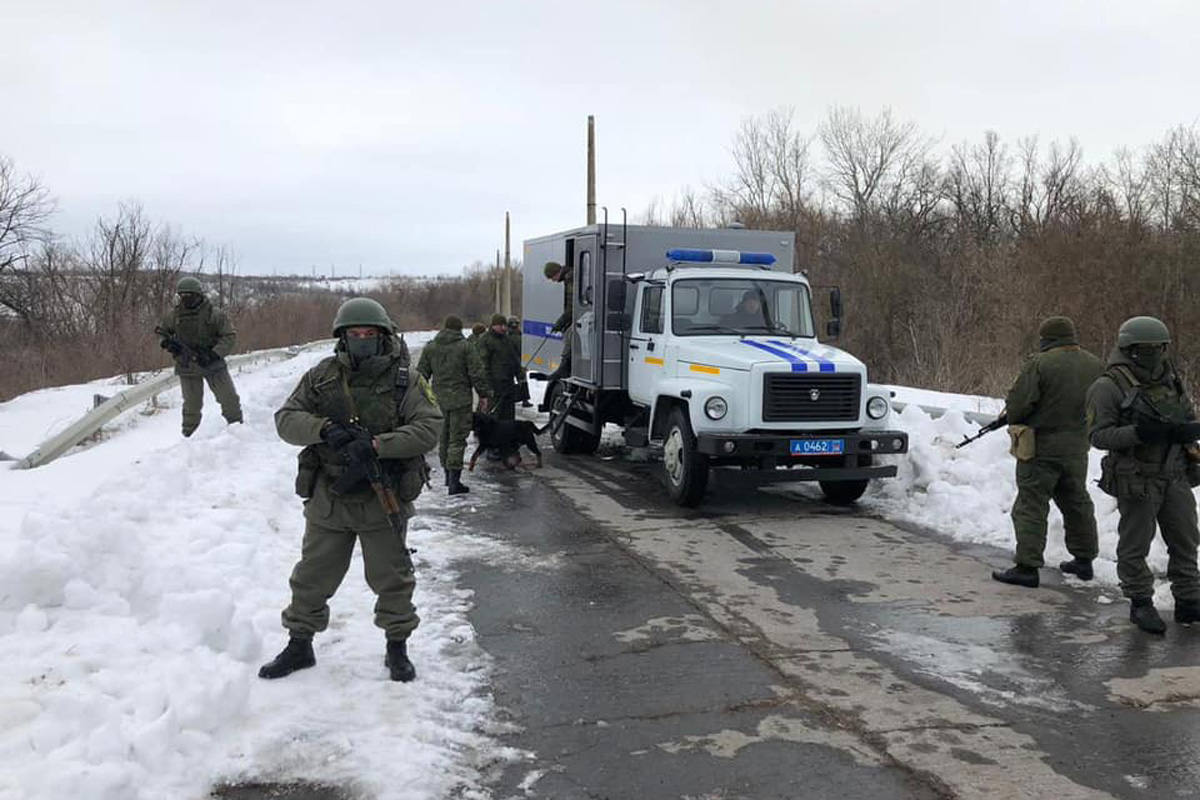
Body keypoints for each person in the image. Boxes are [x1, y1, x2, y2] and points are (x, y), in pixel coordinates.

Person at [260, 297, 442, 681]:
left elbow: (429, 428)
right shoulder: (321, 377)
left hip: (384, 493)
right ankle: (299, 644)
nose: (362, 339)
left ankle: (397, 646)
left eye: (369, 334)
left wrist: (378, 445)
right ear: (342, 338)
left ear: (383, 337)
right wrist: (324, 429)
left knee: (392, 576)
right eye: (354, 334)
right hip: (331, 495)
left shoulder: (404, 380)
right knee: (312, 575)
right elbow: (286, 420)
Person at [1088, 316, 1200, 634]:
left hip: (1175, 474)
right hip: (1137, 477)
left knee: (1186, 541)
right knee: (1135, 544)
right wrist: (1139, 433)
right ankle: (1140, 602)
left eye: (1158, 348)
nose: (1153, 354)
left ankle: (1189, 601)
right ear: (1129, 349)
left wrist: (1187, 430)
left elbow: (1186, 414)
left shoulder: (1170, 379)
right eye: (1145, 349)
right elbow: (1097, 436)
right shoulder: (1108, 386)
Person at [992, 317, 1102, 588]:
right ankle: (1084, 561)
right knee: (1076, 501)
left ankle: (1027, 567)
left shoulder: (1040, 364)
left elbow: (1018, 406)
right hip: (1077, 447)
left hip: (1041, 446)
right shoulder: (1096, 364)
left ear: (1046, 339)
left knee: (1031, 504)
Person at [157, 276, 243, 437]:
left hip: (213, 365)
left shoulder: (214, 314)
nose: (186, 299)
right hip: (187, 365)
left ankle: (237, 430)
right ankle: (189, 437)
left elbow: (229, 336)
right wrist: (167, 344)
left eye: (190, 295)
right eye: (183, 296)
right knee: (191, 406)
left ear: (199, 295)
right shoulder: (174, 316)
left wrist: (214, 353)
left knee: (229, 399)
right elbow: (162, 332)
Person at [417, 315, 492, 495]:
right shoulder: (466, 347)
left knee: (444, 438)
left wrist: (423, 398)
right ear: (459, 330)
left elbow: (421, 377)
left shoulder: (431, 348)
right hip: (461, 401)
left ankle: (447, 476)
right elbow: (477, 373)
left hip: (438, 401)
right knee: (457, 439)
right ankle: (454, 482)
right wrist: (484, 394)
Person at [478, 313, 521, 422]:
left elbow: (514, 359)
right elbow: (483, 366)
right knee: (494, 417)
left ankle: (508, 437)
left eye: (505, 325)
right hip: (494, 386)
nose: (504, 328)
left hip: (508, 384)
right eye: (501, 325)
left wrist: (520, 375)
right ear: (493, 325)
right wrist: (488, 387)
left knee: (509, 416)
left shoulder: (507, 339)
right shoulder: (486, 340)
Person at [544, 261, 573, 381]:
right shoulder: (569, 277)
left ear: (556, 273)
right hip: (571, 315)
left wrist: (560, 323)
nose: (553, 280)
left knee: (570, 334)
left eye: (552, 277)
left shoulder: (570, 278)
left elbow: (572, 306)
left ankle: (564, 367)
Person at [508, 315, 532, 407]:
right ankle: (525, 400)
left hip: (509, 363)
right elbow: (523, 350)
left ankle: (511, 399)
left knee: (510, 382)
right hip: (519, 362)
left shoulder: (506, 336)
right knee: (522, 381)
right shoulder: (520, 336)